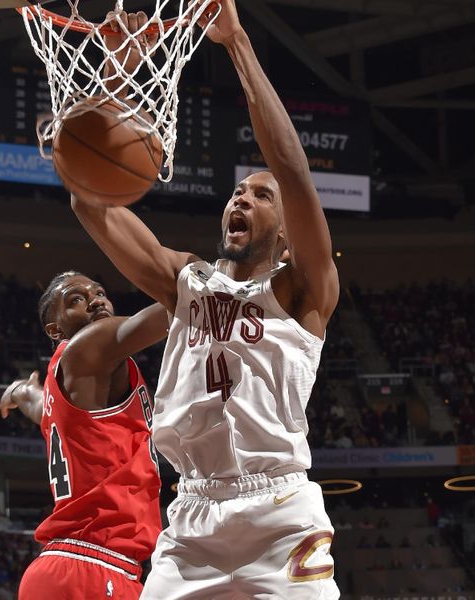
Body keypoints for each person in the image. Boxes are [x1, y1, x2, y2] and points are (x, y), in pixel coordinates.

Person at [70, 2, 341, 597]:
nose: (241, 199)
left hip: (280, 514)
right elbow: (90, 201)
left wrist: (237, 42)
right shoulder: (184, 283)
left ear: (291, 236)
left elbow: (292, 171)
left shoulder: (303, 292)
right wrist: (116, 76)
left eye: (260, 197)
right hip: (191, 521)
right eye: (237, 192)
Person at [0, 272, 167, 599]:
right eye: (76, 299)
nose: (95, 300)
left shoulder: (67, 383)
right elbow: (179, 309)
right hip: (95, 566)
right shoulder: (90, 345)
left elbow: (40, 407)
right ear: (55, 329)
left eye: (100, 292)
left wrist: (21, 391)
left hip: (63, 566)